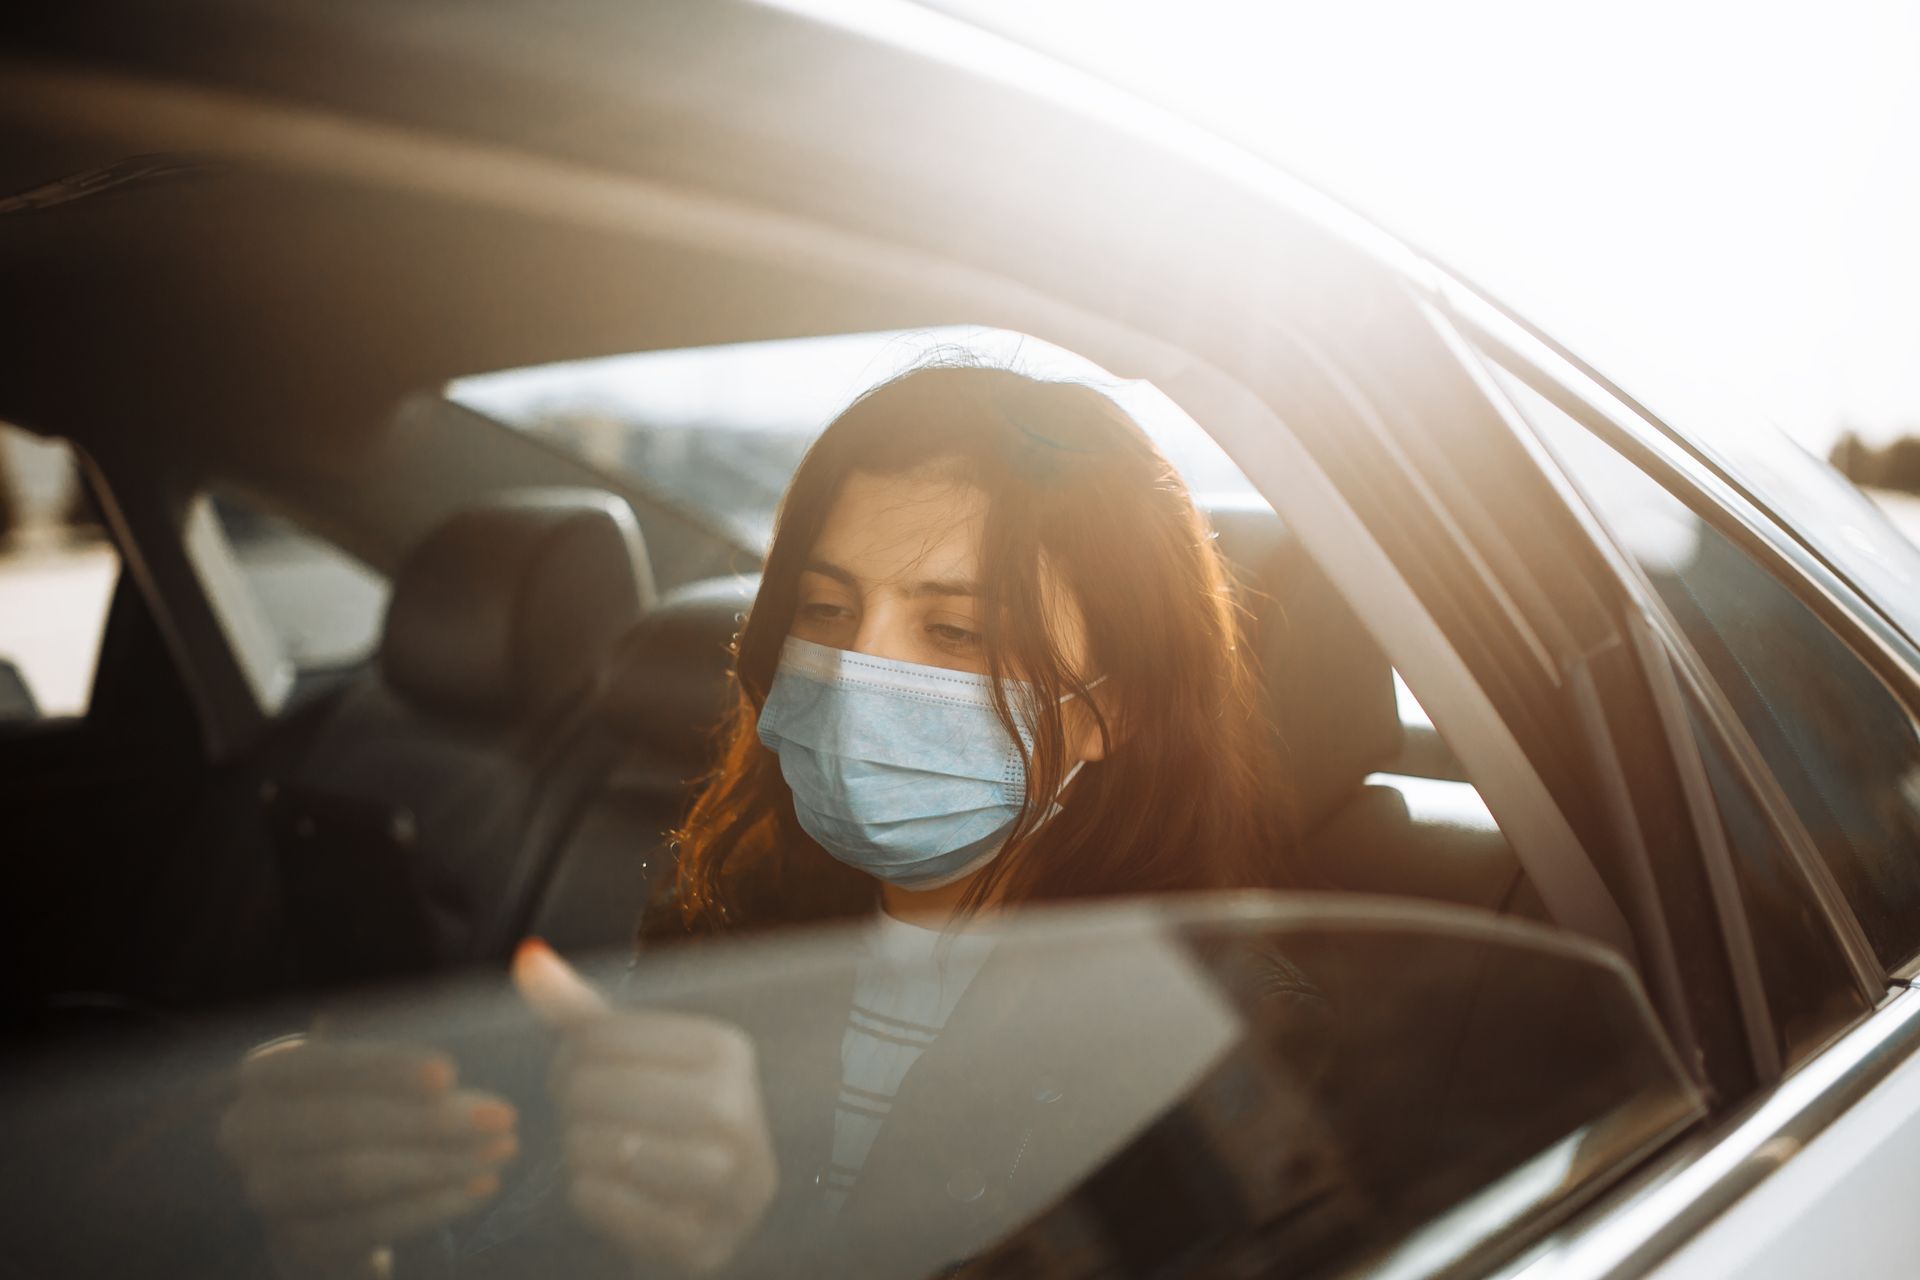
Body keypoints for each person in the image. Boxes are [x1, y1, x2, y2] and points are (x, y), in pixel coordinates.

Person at [217, 364, 1298, 1276]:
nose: (858, 671)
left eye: (958, 629)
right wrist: (365, 1224)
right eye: (826, 611)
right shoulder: (732, 926)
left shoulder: (1220, 1035)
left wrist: (767, 1245)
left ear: (1109, 708)